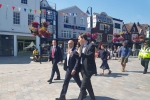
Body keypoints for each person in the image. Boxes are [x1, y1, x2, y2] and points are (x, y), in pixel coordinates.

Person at [76, 33, 96, 100]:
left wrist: (81, 54)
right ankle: (93, 98)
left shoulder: (91, 46)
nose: (78, 40)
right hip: (82, 69)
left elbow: (90, 56)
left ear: (83, 39)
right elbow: (79, 57)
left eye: (79, 39)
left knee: (83, 87)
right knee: (88, 85)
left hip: (88, 69)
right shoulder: (81, 47)